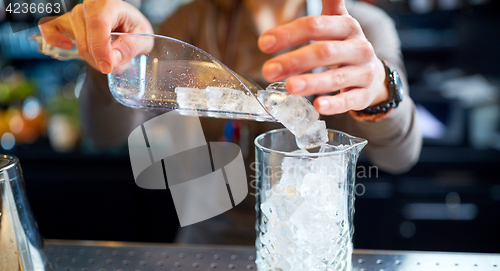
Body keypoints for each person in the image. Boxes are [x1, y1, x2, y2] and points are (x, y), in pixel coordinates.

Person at [39, 0, 421, 244]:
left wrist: (381, 89)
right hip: (208, 244)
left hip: (311, 249)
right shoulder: (191, 21)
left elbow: (401, 156)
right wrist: (112, 55)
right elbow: (104, 133)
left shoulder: (362, 26)